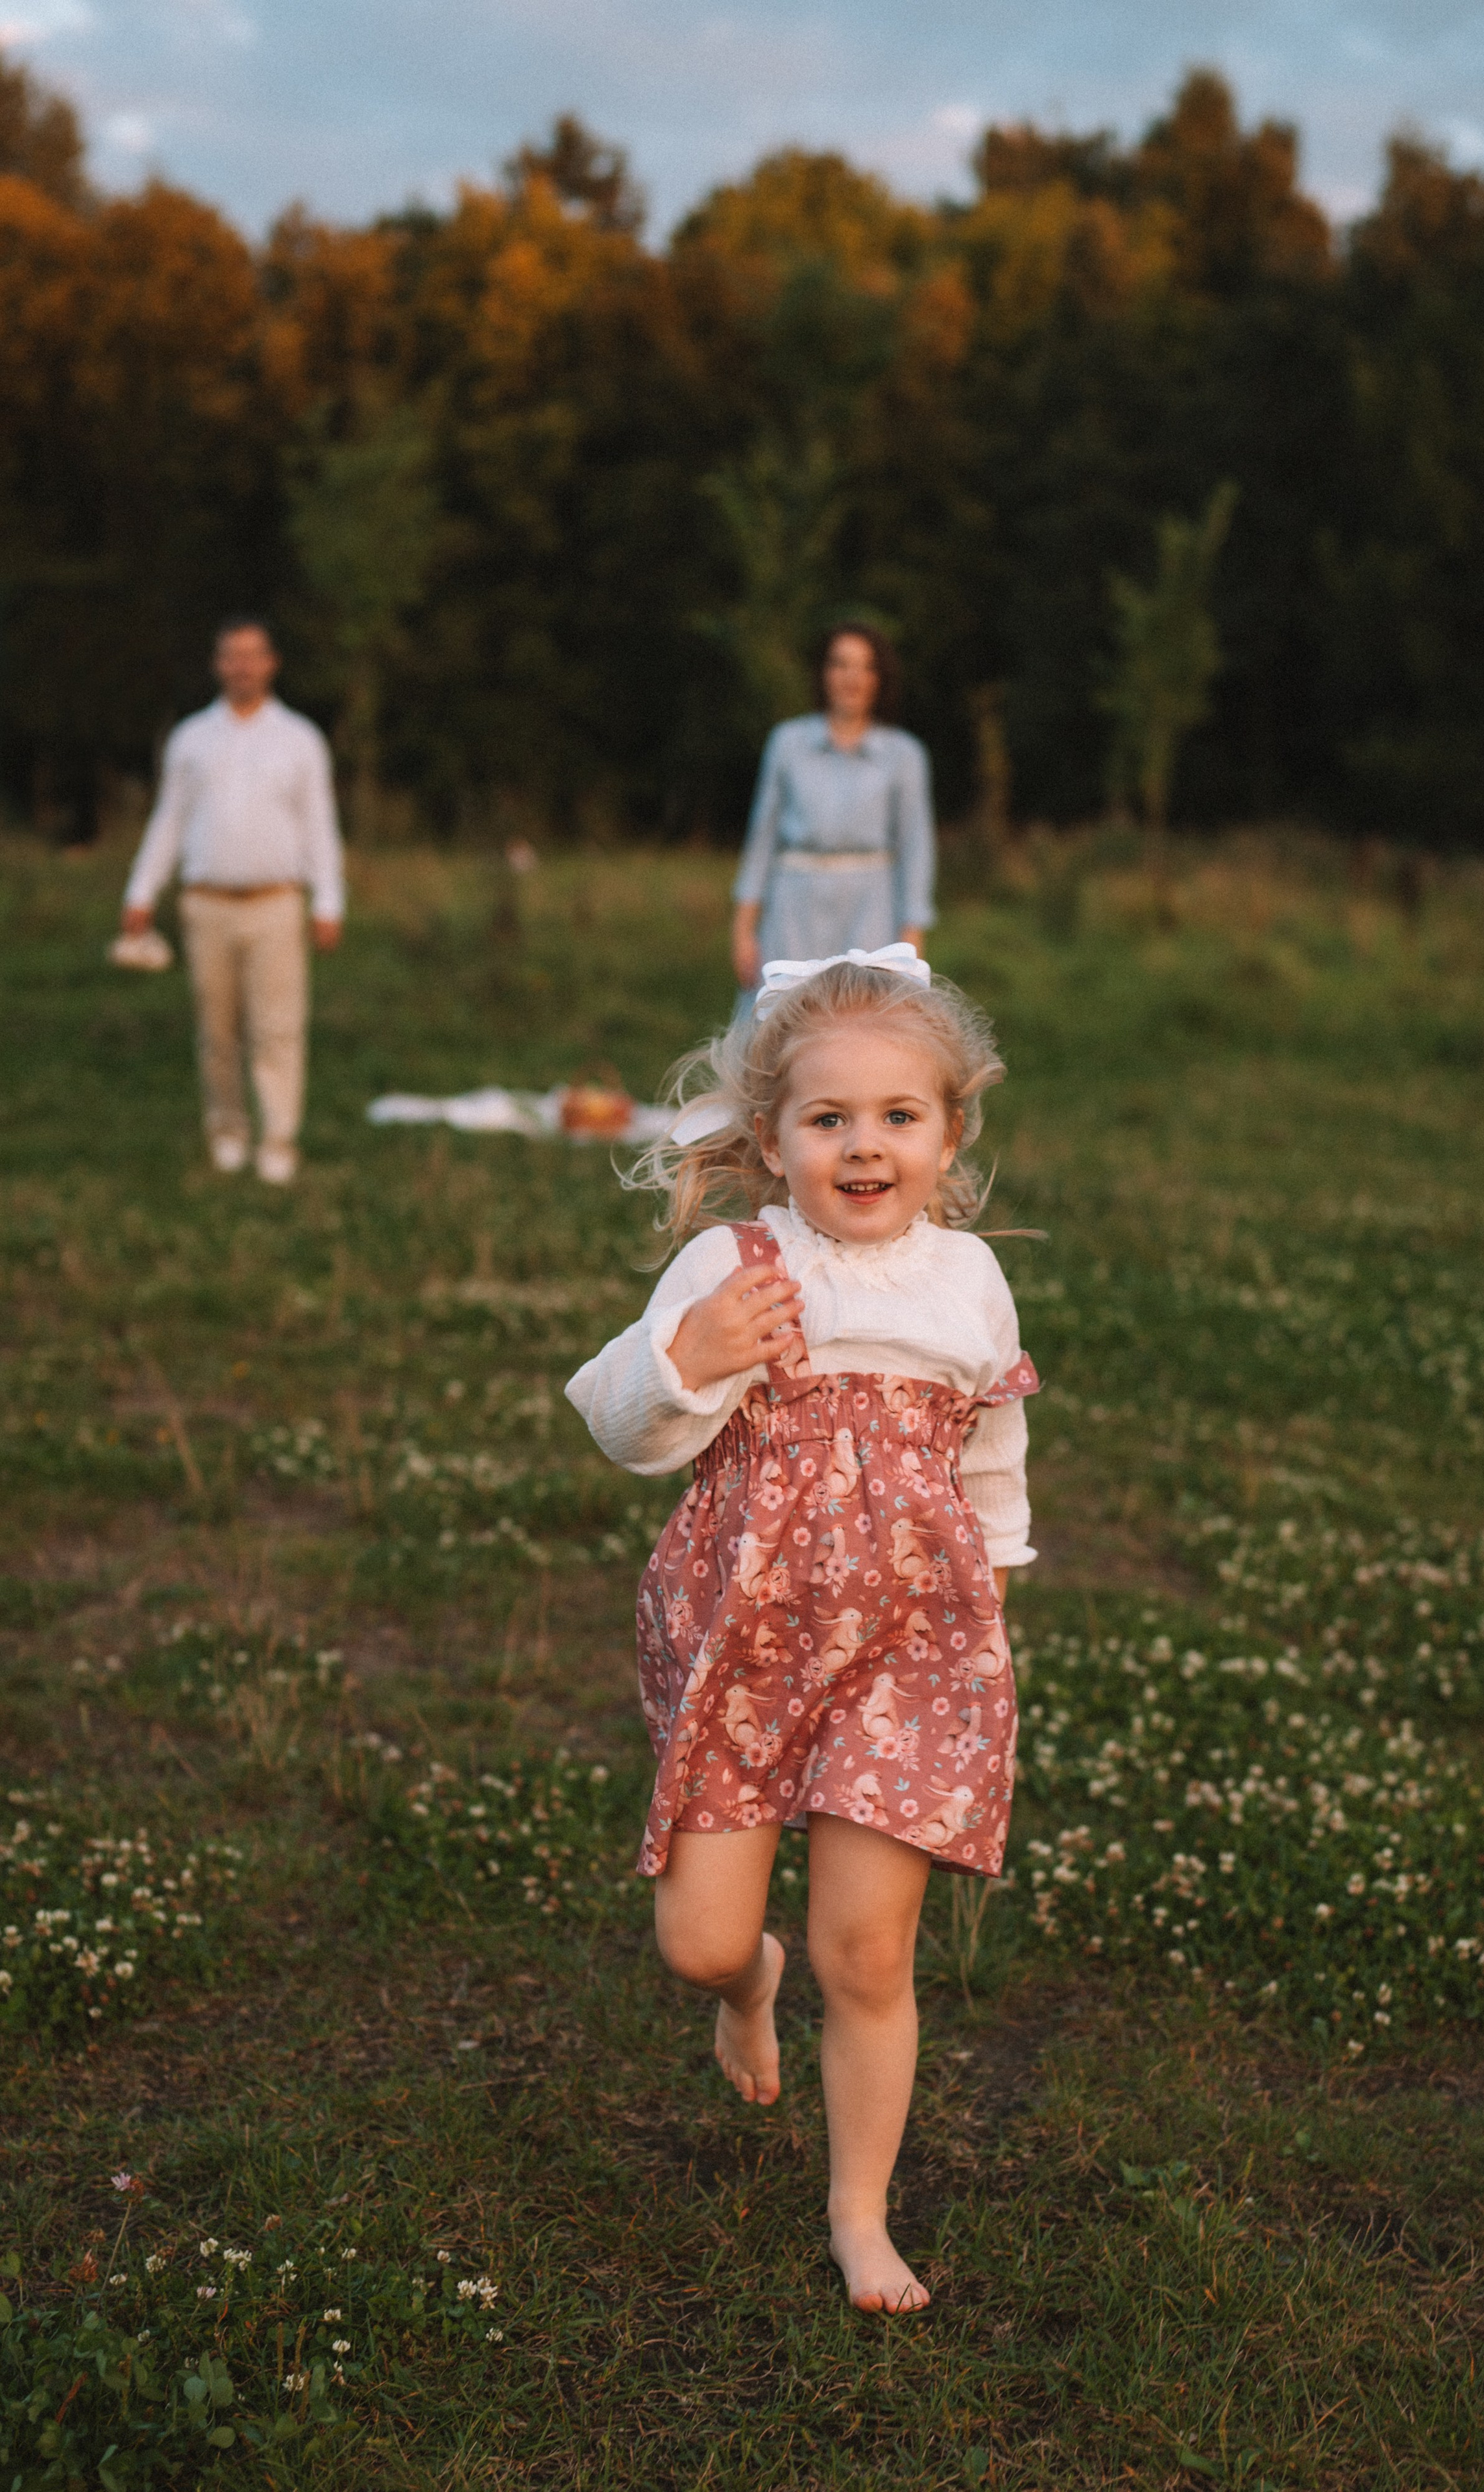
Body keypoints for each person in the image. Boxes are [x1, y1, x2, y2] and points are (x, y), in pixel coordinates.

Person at [566, 946, 1038, 2315]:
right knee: (701, 1942)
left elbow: (992, 1458)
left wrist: (985, 1614)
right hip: (749, 1644)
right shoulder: (740, 1261)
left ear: (947, 1132)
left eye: (898, 1116)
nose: (864, 1144)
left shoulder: (964, 1285)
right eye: (828, 1119)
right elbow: (618, 1424)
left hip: (909, 1657)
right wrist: (691, 1356)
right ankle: (745, 1982)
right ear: (769, 1141)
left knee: (869, 1953)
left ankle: (857, 2211)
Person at [119, 617, 344, 1185]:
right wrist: (141, 891)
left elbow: (320, 825)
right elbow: (169, 820)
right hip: (207, 903)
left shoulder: (300, 739)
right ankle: (226, 1130)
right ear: (218, 665)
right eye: (231, 656)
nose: (242, 666)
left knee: (279, 1027)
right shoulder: (192, 739)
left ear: (272, 663)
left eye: (253, 655)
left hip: (276, 903)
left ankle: (278, 1139)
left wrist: (329, 901)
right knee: (217, 1030)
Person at [730, 626, 935, 1009]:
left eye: (865, 667)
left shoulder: (904, 755)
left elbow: (916, 847)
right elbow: (762, 837)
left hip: (871, 909)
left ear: (879, 679)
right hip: (794, 905)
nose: (851, 678)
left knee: (863, 1025)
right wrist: (743, 928)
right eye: (840, 664)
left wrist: (912, 934)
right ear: (824, 673)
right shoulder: (787, 743)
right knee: (780, 1022)